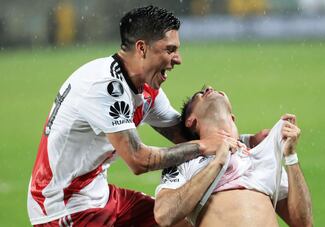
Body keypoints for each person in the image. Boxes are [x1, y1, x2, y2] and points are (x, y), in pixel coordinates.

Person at [27, 6, 243, 227]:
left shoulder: (146, 89)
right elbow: (139, 160)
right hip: (63, 208)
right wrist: (204, 146)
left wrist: (246, 143)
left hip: (100, 195)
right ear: (142, 48)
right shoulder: (105, 86)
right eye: (170, 50)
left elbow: (185, 134)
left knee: (187, 219)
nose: (178, 59)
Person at [154, 86, 313, 227]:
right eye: (200, 94)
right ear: (191, 121)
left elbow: (303, 223)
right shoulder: (184, 159)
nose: (209, 87)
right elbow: (164, 215)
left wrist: (291, 156)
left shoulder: (261, 155)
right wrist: (217, 163)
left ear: (232, 117)